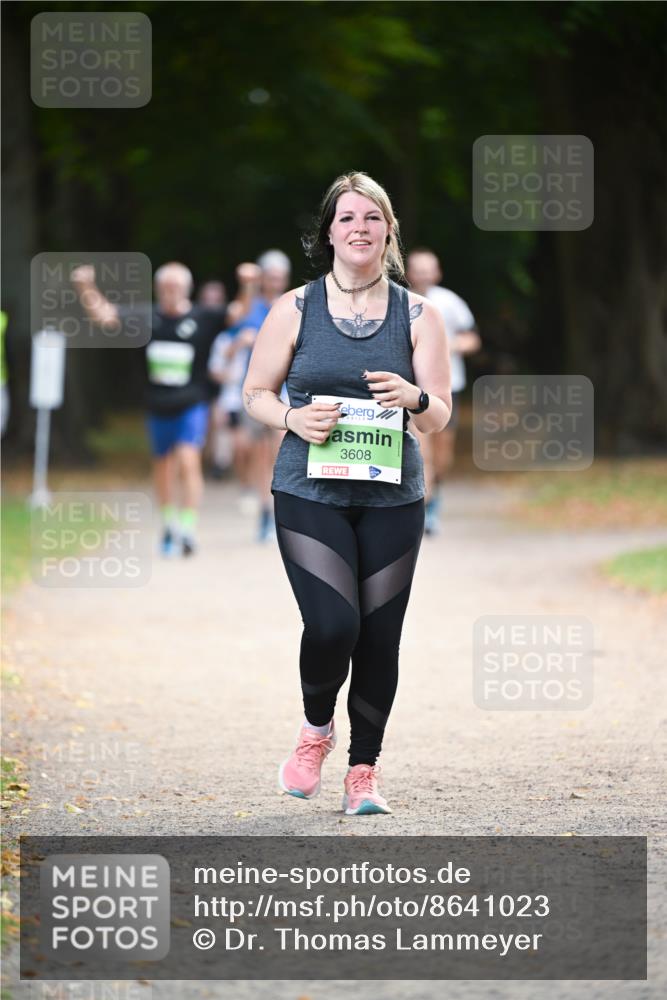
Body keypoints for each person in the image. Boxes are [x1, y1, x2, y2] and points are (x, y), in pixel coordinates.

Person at [242, 172, 451, 815]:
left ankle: (363, 772)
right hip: (310, 489)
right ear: (328, 232)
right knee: (334, 624)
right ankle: (314, 731)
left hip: (393, 496)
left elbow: (440, 412)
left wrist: (415, 397)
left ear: (388, 231)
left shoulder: (420, 315)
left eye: (372, 218)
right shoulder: (294, 309)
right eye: (347, 218)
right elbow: (255, 394)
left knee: (380, 637)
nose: (359, 228)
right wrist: (291, 420)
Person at [70, 262, 225, 556]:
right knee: (163, 466)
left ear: (187, 289)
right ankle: (168, 525)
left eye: (176, 286)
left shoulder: (203, 317)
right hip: (157, 406)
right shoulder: (146, 317)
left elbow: (239, 314)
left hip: (192, 404)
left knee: (188, 459)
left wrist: (249, 285)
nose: (171, 292)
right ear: (158, 288)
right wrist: (85, 287)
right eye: (166, 286)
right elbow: (106, 317)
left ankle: (188, 527)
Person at [406, 249, 480, 534]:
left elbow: (472, 339)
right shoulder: (401, 300)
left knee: (442, 454)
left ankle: (436, 495)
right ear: (409, 272)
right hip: (414, 389)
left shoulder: (450, 302)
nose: (423, 275)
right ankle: (424, 508)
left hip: (449, 388)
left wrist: (448, 347)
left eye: (428, 270)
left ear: (437, 273)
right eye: (418, 269)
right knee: (420, 451)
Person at [227, 252, 292, 541]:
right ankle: (264, 510)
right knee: (258, 453)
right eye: (271, 276)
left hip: (287, 389)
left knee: (281, 452)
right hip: (254, 389)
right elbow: (233, 319)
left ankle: (280, 510)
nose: (275, 281)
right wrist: (247, 285)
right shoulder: (249, 305)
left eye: (280, 277)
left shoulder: (291, 304)